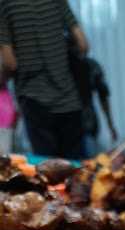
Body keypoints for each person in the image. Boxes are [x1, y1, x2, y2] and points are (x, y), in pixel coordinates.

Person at [0, 0, 89, 159]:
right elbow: (83, 44)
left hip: (34, 100)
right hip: (68, 98)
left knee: (48, 171)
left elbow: (10, 63)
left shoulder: (6, 4)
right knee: (77, 170)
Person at [69, 50, 118, 158]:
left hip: (86, 125)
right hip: (63, 129)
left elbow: (103, 95)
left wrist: (111, 126)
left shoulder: (90, 66)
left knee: (86, 163)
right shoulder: (58, 67)